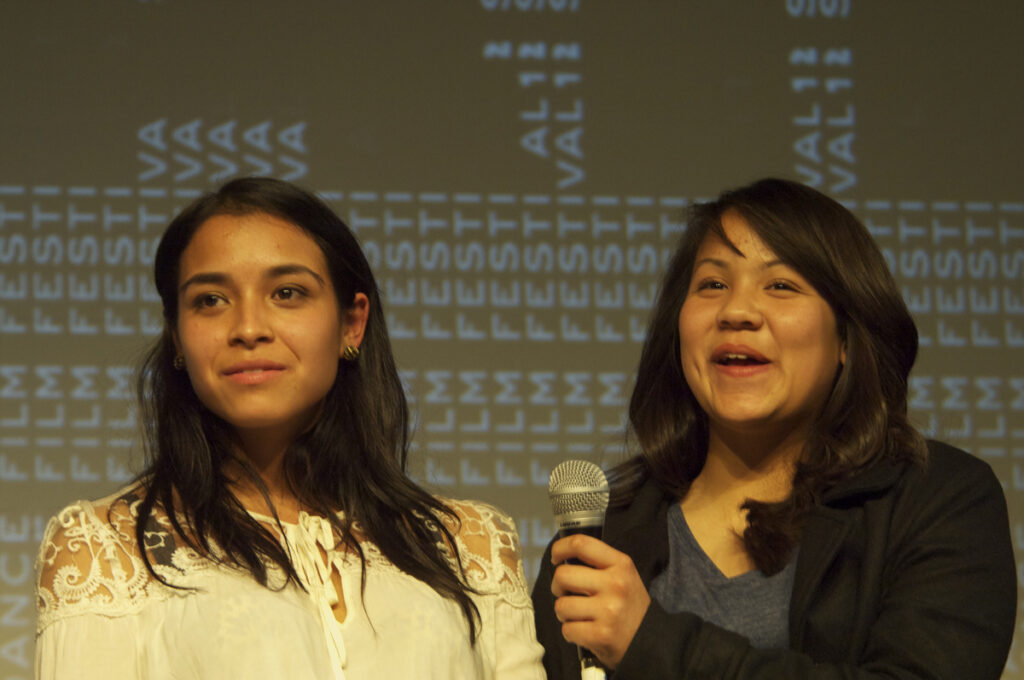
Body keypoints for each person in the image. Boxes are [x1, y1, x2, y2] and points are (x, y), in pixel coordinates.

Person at [35, 177, 546, 679]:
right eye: (210, 300)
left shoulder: (470, 545)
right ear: (176, 335)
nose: (249, 328)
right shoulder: (103, 549)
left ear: (352, 324)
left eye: (287, 292)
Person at [532, 178, 1016, 679]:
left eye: (781, 285)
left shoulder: (938, 500)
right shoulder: (606, 537)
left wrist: (652, 642)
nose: (736, 312)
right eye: (712, 285)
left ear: (847, 336)